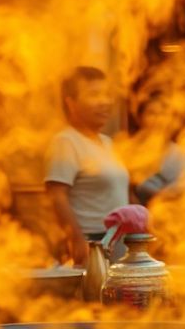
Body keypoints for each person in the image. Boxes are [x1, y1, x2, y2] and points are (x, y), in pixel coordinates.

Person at [45, 67, 130, 266]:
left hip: (119, 242)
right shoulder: (66, 142)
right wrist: (76, 240)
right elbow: (56, 195)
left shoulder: (108, 143)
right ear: (71, 103)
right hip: (92, 244)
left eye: (107, 94)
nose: (105, 102)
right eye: (94, 95)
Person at [131, 93, 185, 204]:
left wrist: (166, 195)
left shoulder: (178, 151)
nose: (158, 119)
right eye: (152, 113)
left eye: (163, 114)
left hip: (172, 213)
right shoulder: (129, 150)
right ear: (140, 118)